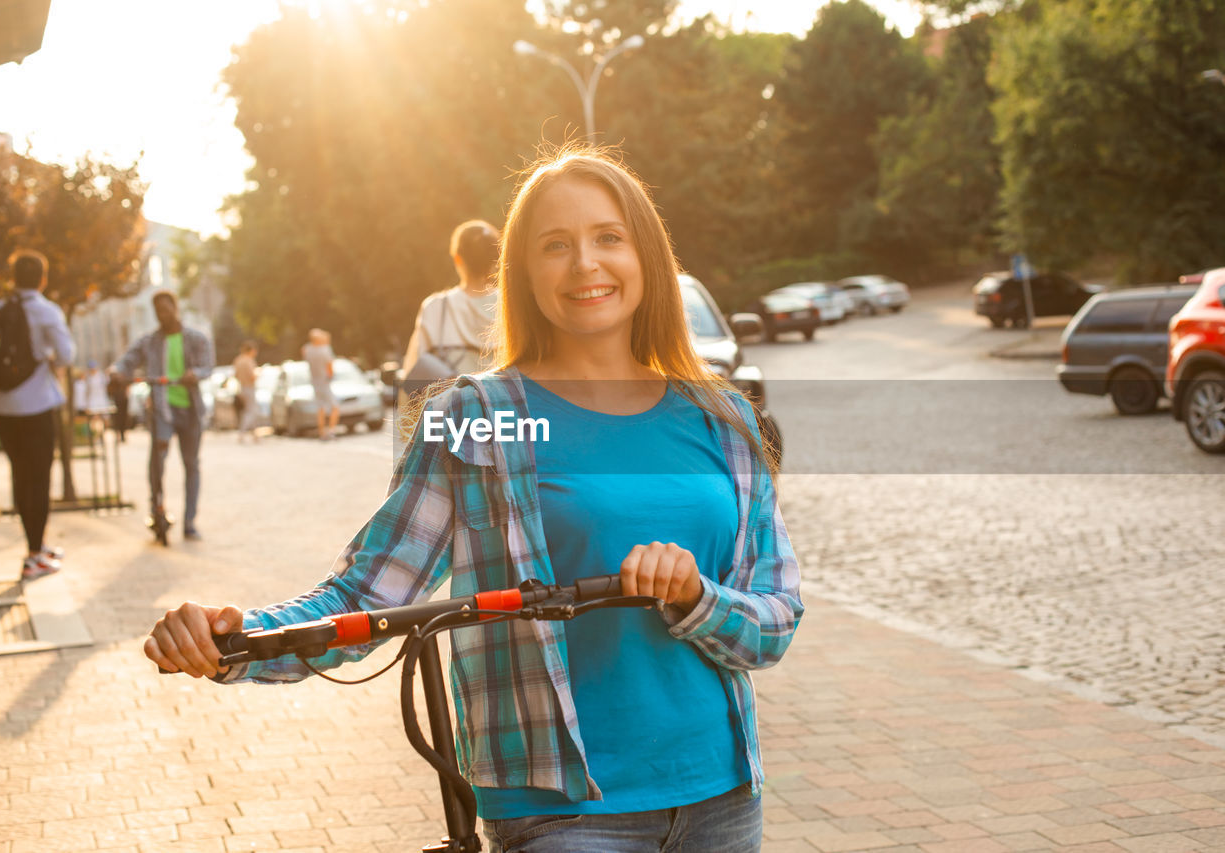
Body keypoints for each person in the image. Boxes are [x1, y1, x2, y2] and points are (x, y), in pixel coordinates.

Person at [144, 147, 802, 853]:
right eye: (556, 245)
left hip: (721, 796)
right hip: (561, 810)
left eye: (608, 237)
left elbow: (775, 616)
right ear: (520, 273)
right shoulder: (476, 419)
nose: (586, 264)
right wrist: (236, 640)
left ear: (647, 255)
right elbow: (368, 592)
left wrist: (695, 595)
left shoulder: (721, 419)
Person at [0, 249, 74, 580]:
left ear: (13, 277)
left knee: (20, 475)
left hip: (4, 409)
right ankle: (34, 555)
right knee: (38, 479)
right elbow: (67, 355)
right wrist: (44, 357)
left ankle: (36, 545)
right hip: (37, 405)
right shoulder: (46, 311)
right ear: (43, 278)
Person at [109, 290, 213, 540]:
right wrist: (116, 370)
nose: (162, 316)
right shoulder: (149, 341)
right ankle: (157, 509)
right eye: (158, 312)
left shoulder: (196, 338)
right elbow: (128, 360)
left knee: (191, 465)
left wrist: (194, 374)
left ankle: (190, 522)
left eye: (166, 310)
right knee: (157, 461)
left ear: (175, 308)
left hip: (189, 410)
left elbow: (207, 366)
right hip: (162, 411)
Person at [398, 219, 500, 406]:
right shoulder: (512, 305)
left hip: (456, 419)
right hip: (506, 414)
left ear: (458, 259)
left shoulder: (436, 307)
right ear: (496, 258)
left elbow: (413, 372)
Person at [300, 328, 337, 440]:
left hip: (315, 383)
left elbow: (304, 350)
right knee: (335, 407)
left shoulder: (307, 350)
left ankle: (322, 433)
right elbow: (330, 368)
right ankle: (331, 431)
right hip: (324, 382)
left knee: (320, 408)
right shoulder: (325, 350)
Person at [232, 340, 260, 443]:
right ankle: (242, 432)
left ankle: (255, 434)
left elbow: (235, 375)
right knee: (251, 411)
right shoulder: (249, 361)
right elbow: (252, 376)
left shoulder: (238, 360)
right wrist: (258, 374)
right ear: (252, 350)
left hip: (241, 388)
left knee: (249, 410)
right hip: (249, 387)